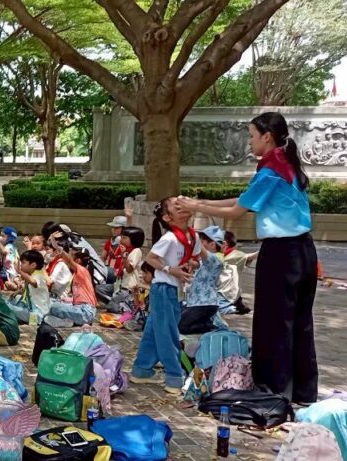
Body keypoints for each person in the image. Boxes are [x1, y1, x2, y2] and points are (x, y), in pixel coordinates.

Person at [177, 112, 318, 404]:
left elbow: (237, 211)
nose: (250, 141)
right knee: (300, 322)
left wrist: (196, 206)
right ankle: (303, 391)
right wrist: (198, 203)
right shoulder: (286, 164)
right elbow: (243, 200)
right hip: (304, 250)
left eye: (252, 136)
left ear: (267, 137)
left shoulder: (271, 169)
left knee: (273, 322)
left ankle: (272, 391)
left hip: (281, 254)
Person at [131, 197, 199, 394]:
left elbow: (195, 259)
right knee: (167, 333)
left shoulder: (192, 236)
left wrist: (190, 265)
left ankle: (141, 370)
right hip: (163, 288)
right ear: (168, 217)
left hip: (174, 289)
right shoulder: (169, 238)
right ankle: (174, 377)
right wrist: (171, 269)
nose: (183, 206)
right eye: (177, 206)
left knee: (155, 330)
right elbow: (151, 258)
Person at [44, 241, 98, 328]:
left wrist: (58, 248)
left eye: (71, 255)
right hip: (79, 309)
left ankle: (69, 322)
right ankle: (67, 322)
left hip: (85, 312)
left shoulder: (82, 270)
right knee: (48, 308)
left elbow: (68, 261)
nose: (68, 257)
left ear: (78, 261)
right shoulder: (77, 274)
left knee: (53, 307)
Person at [218, 231, 256, 315]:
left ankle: (233, 308)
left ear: (225, 243)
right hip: (217, 292)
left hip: (225, 294)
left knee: (214, 310)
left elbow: (249, 256)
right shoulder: (215, 254)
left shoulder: (235, 255)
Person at [9, 249, 51, 325]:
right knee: (13, 299)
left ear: (33, 265)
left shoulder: (38, 275)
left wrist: (19, 271)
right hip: (31, 308)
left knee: (6, 307)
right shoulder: (32, 274)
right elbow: (29, 289)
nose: (20, 265)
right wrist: (18, 292)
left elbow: (34, 282)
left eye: (23, 262)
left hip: (38, 313)